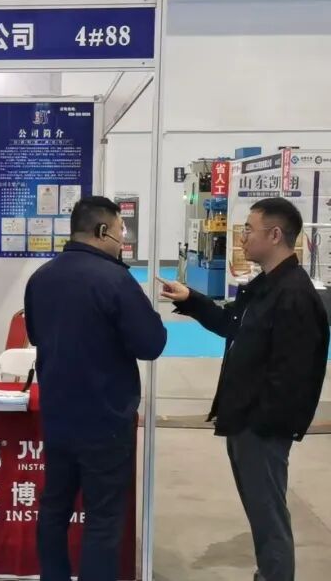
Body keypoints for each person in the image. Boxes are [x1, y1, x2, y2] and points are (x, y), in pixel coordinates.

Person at [159, 197, 329, 581]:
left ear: (275, 234)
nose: (242, 237)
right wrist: (192, 301)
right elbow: (232, 325)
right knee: (260, 512)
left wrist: (261, 424)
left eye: (249, 229)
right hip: (245, 421)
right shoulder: (265, 286)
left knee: (269, 517)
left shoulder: (294, 295)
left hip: (262, 428)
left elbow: (294, 376)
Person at [24, 196, 167, 581]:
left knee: (54, 508)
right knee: (102, 518)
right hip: (106, 420)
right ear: (103, 230)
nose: (123, 240)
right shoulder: (116, 281)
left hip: (57, 416)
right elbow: (151, 344)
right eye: (121, 231)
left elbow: (35, 335)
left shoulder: (41, 278)